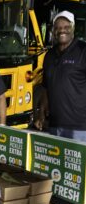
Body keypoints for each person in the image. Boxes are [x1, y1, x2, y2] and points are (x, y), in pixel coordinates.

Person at [34, 10, 86, 142]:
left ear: (73, 28)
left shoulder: (83, 50)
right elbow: (46, 87)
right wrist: (41, 114)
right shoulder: (49, 55)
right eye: (57, 27)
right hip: (54, 125)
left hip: (80, 127)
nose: (61, 30)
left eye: (66, 27)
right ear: (53, 31)